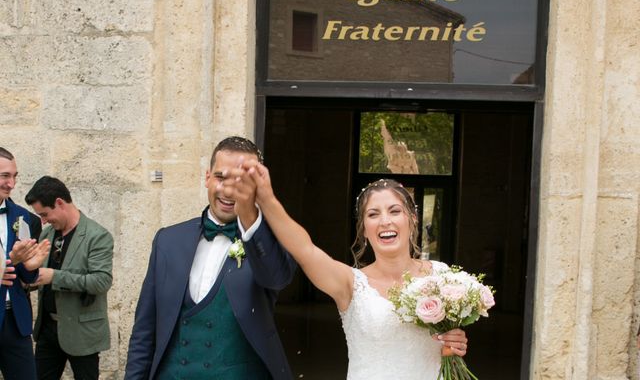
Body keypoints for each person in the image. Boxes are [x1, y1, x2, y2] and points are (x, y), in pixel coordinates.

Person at [219, 162, 469, 380]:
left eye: (395, 211)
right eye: (373, 214)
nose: (385, 221)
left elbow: (448, 343)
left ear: (412, 218)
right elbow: (305, 250)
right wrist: (266, 199)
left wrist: (454, 342)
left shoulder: (441, 276)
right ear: (363, 229)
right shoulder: (350, 284)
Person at [124, 136, 297, 380]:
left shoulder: (270, 242)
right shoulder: (167, 240)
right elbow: (144, 330)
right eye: (221, 177)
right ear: (207, 177)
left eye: (241, 181)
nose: (228, 190)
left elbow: (277, 277)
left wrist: (250, 218)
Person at [25, 176, 114, 380]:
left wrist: (54, 276)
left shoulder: (97, 236)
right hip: (47, 330)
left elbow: (101, 281)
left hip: (82, 330)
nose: (43, 221)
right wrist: (27, 279)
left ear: (59, 203)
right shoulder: (47, 234)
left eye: (45, 214)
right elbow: (39, 275)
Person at [0, 147, 50, 380]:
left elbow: (26, 277)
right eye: (4, 176)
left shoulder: (23, 218)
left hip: (16, 321)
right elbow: (10, 263)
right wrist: (12, 260)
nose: (11, 184)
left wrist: (31, 268)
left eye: (14, 176)